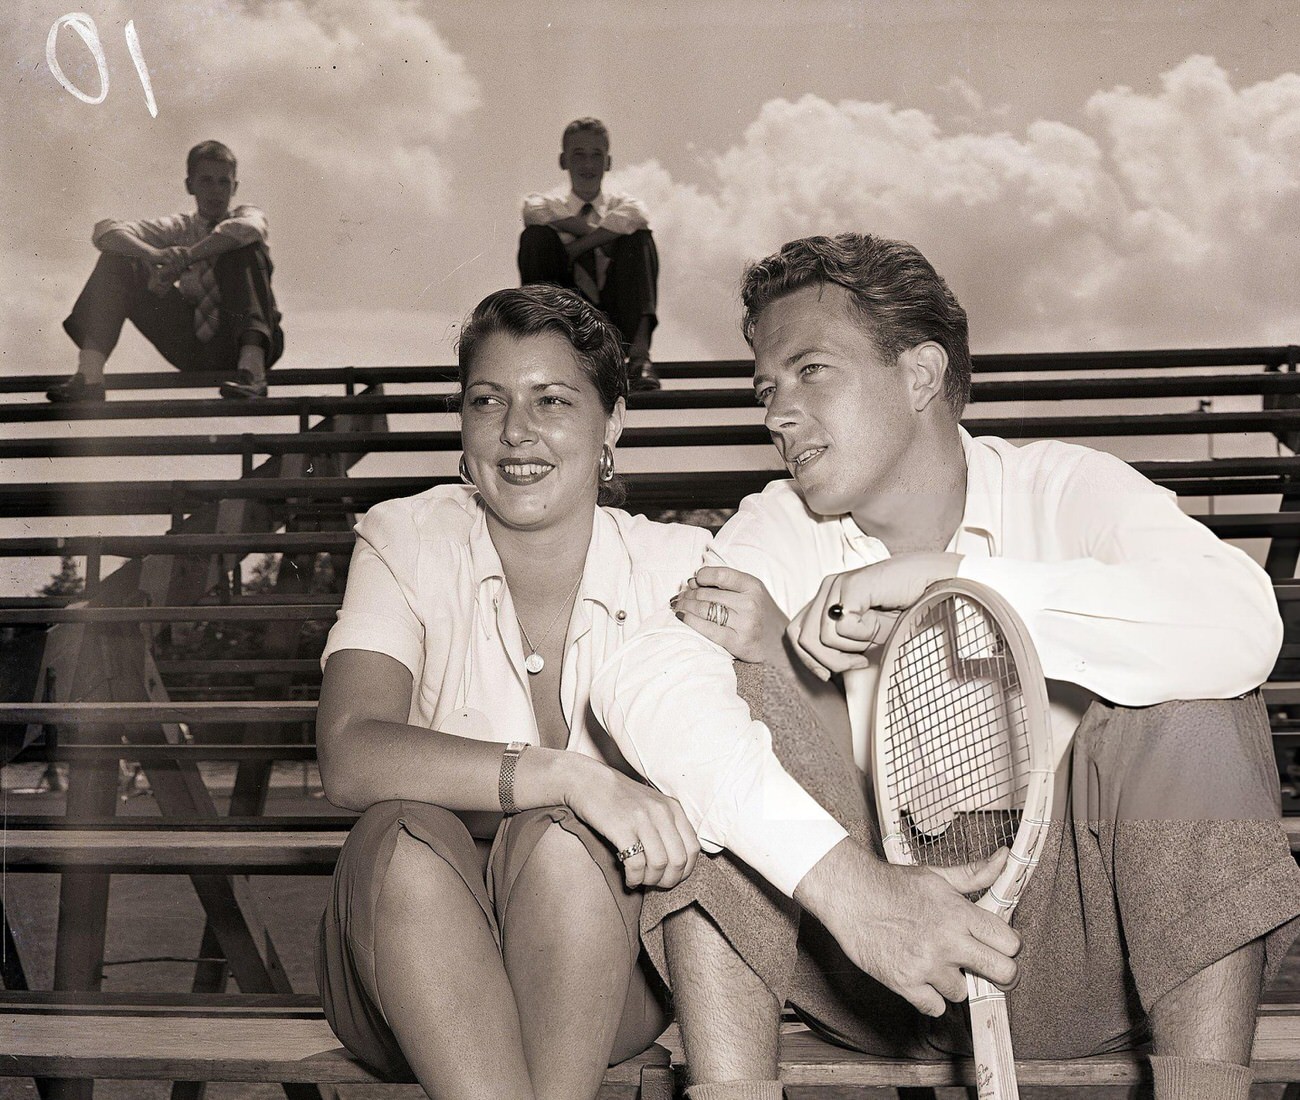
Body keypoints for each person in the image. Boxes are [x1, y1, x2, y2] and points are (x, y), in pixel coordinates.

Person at [590, 233, 1300, 1100]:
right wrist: (855, 892)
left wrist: (955, 578)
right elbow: (642, 679)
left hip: (1087, 959)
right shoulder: (776, 525)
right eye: (767, 389)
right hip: (861, 968)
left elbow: (1240, 618)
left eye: (811, 371)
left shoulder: (1065, 486)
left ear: (921, 374)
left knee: (1195, 690)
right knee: (715, 704)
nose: (777, 413)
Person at [314, 284, 708, 1100]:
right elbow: (350, 753)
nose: (516, 431)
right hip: (408, 961)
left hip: (604, 965)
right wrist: (567, 774)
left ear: (613, 423)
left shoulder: (681, 566)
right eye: (487, 400)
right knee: (403, 831)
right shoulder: (404, 536)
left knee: (567, 844)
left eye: (552, 400)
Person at [49, 139, 283, 403]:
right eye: (206, 181)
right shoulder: (178, 227)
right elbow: (106, 232)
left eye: (224, 182)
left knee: (244, 249)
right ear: (190, 185)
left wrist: (186, 257)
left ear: (235, 187)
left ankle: (252, 374)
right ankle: (89, 377)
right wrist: (155, 255)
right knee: (119, 258)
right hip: (192, 347)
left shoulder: (246, 215)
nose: (216, 191)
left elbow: (247, 229)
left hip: (246, 341)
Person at [519, 118, 661, 393]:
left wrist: (575, 248)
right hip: (566, 317)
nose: (588, 164)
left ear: (608, 162)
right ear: (563, 161)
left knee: (639, 238)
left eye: (597, 155)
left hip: (617, 317)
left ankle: (640, 358)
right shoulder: (551, 205)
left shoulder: (621, 205)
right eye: (578, 155)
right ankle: (542, 347)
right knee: (535, 237)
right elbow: (532, 209)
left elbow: (639, 215)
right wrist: (602, 235)